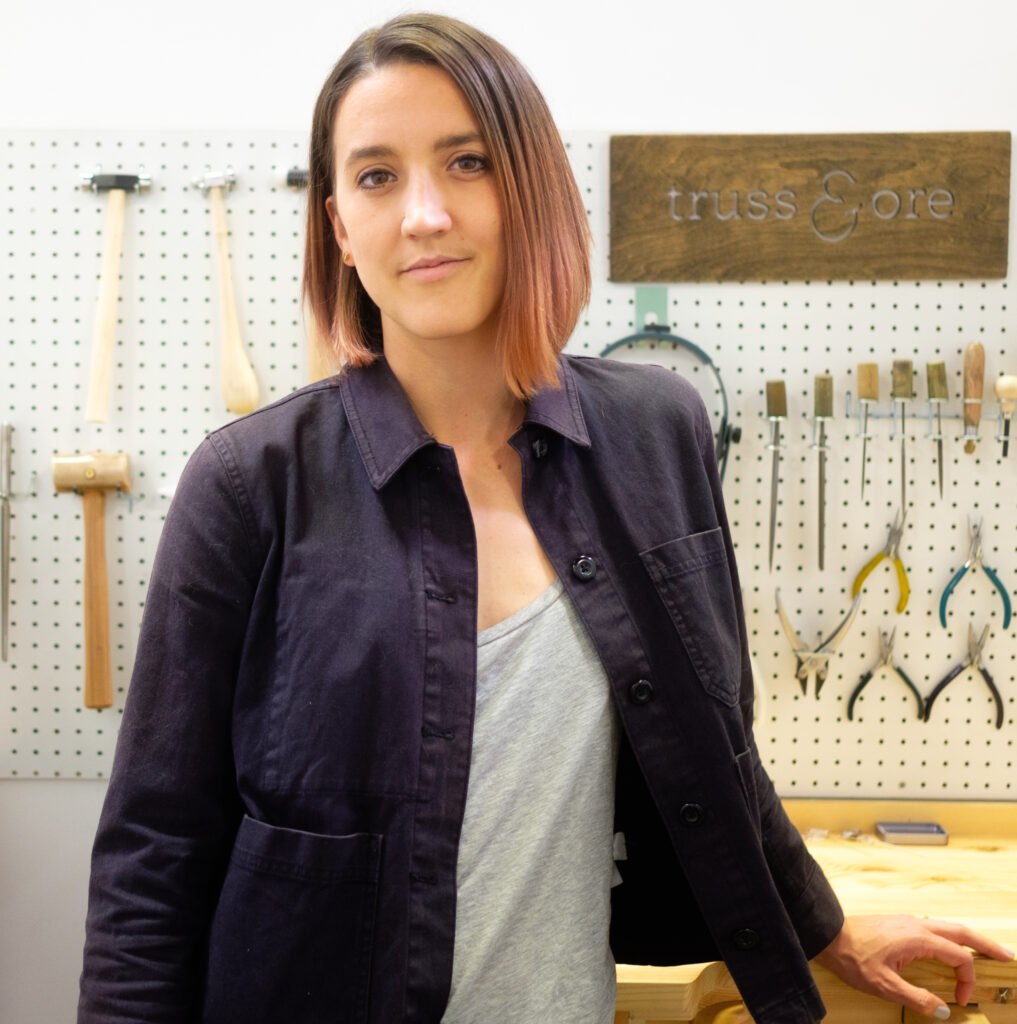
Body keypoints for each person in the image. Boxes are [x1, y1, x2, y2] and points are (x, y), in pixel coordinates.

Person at [78, 12, 1012, 1024]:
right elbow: (155, 852)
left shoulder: (657, 431)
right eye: (377, 176)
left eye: (466, 161)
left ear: (528, 187)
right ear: (340, 226)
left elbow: (717, 749)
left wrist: (824, 926)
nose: (424, 214)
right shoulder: (247, 482)